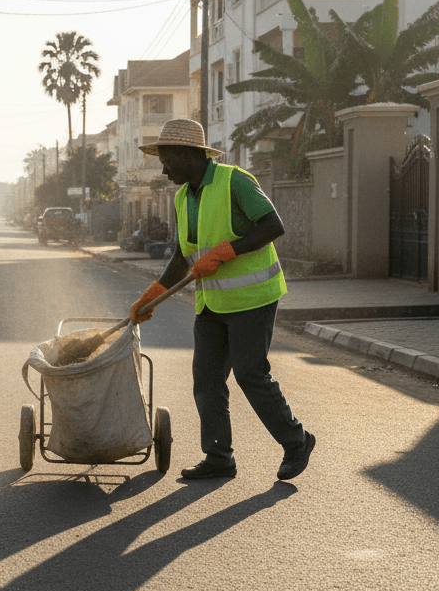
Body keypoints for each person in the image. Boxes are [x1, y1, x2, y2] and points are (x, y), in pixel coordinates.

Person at [129, 118, 314, 482]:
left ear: (189, 154)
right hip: (211, 305)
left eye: (167, 160)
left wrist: (227, 252)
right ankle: (219, 457)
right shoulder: (184, 196)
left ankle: (296, 441)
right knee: (207, 380)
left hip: (253, 297)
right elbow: (185, 254)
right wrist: (152, 296)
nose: (163, 169)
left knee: (250, 373)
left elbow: (273, 225)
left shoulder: (236, 182)